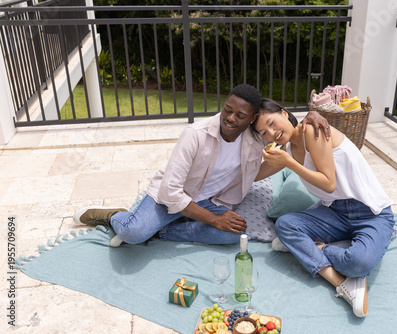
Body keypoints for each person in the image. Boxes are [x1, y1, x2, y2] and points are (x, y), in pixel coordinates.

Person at [73, 85, 330, 247]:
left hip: (214, 200)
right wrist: (213, 220)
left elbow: (286, 141)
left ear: (251, 120)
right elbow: (169, 192)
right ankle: (115, 217)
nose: (230, 118)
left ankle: (157, 232)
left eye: (240, 116)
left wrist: (311, 117)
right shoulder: (195, 134)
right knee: (132, 232)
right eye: (227, 110)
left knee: (234, 235)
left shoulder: (255, 138)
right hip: (171, 197)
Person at [252, 98, 395, 318]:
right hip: (335, 211)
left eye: (272, 123)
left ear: (283, 113)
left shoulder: (312, 130)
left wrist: (290, 164)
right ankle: (341, 282)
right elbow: (252, 175)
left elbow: (329, 183)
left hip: (371, 213)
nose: (271, 133)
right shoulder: (286, 149)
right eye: (263, 133)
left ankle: (311, 248)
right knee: (285, 225)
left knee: (357, 263)